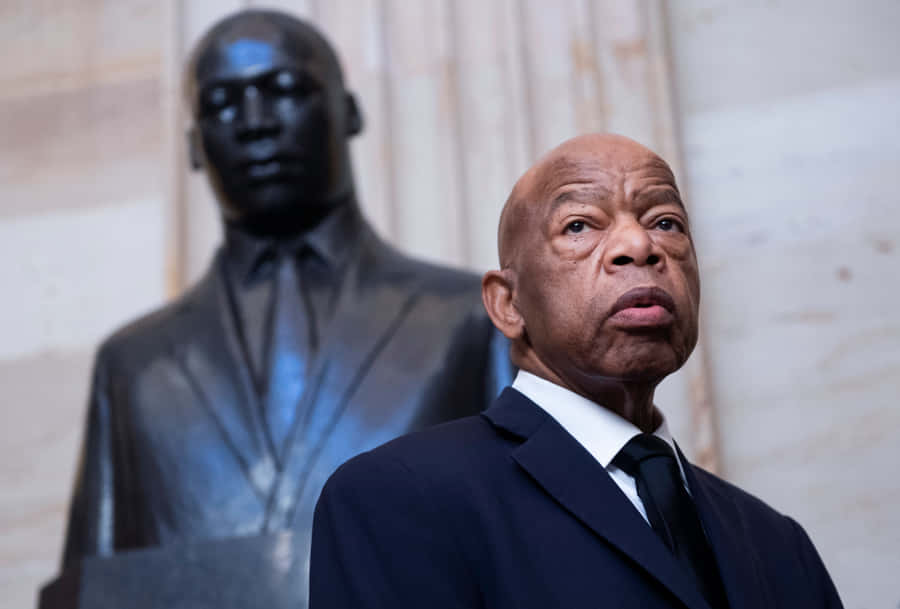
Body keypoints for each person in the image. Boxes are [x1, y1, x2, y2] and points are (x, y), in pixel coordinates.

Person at [310, 134, 843, 609]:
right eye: (580, 225)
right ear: (508, 304)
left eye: (666, 222)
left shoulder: (778, 545)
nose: (640, 246)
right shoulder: (398, 499)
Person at [61, 9, 510, 568]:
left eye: (285, 90)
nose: (255, 122)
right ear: (195, 145)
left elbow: (531, 551)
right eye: (222, 103)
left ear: (347, 112)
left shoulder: (471, 319)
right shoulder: (132, 367)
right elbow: (90, 587)